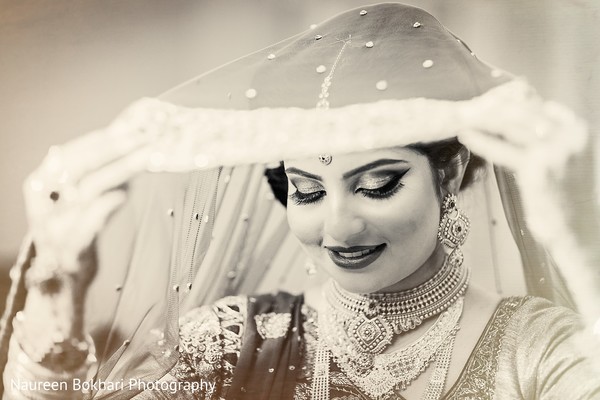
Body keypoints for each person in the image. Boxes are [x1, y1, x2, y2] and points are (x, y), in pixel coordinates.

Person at [1, 3, 599, 399]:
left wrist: (579, 239)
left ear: (450, 173)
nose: (336, 226)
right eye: (307, 191)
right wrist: (58, 292)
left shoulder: (536, 350)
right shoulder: (233, 341)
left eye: (377, 184)